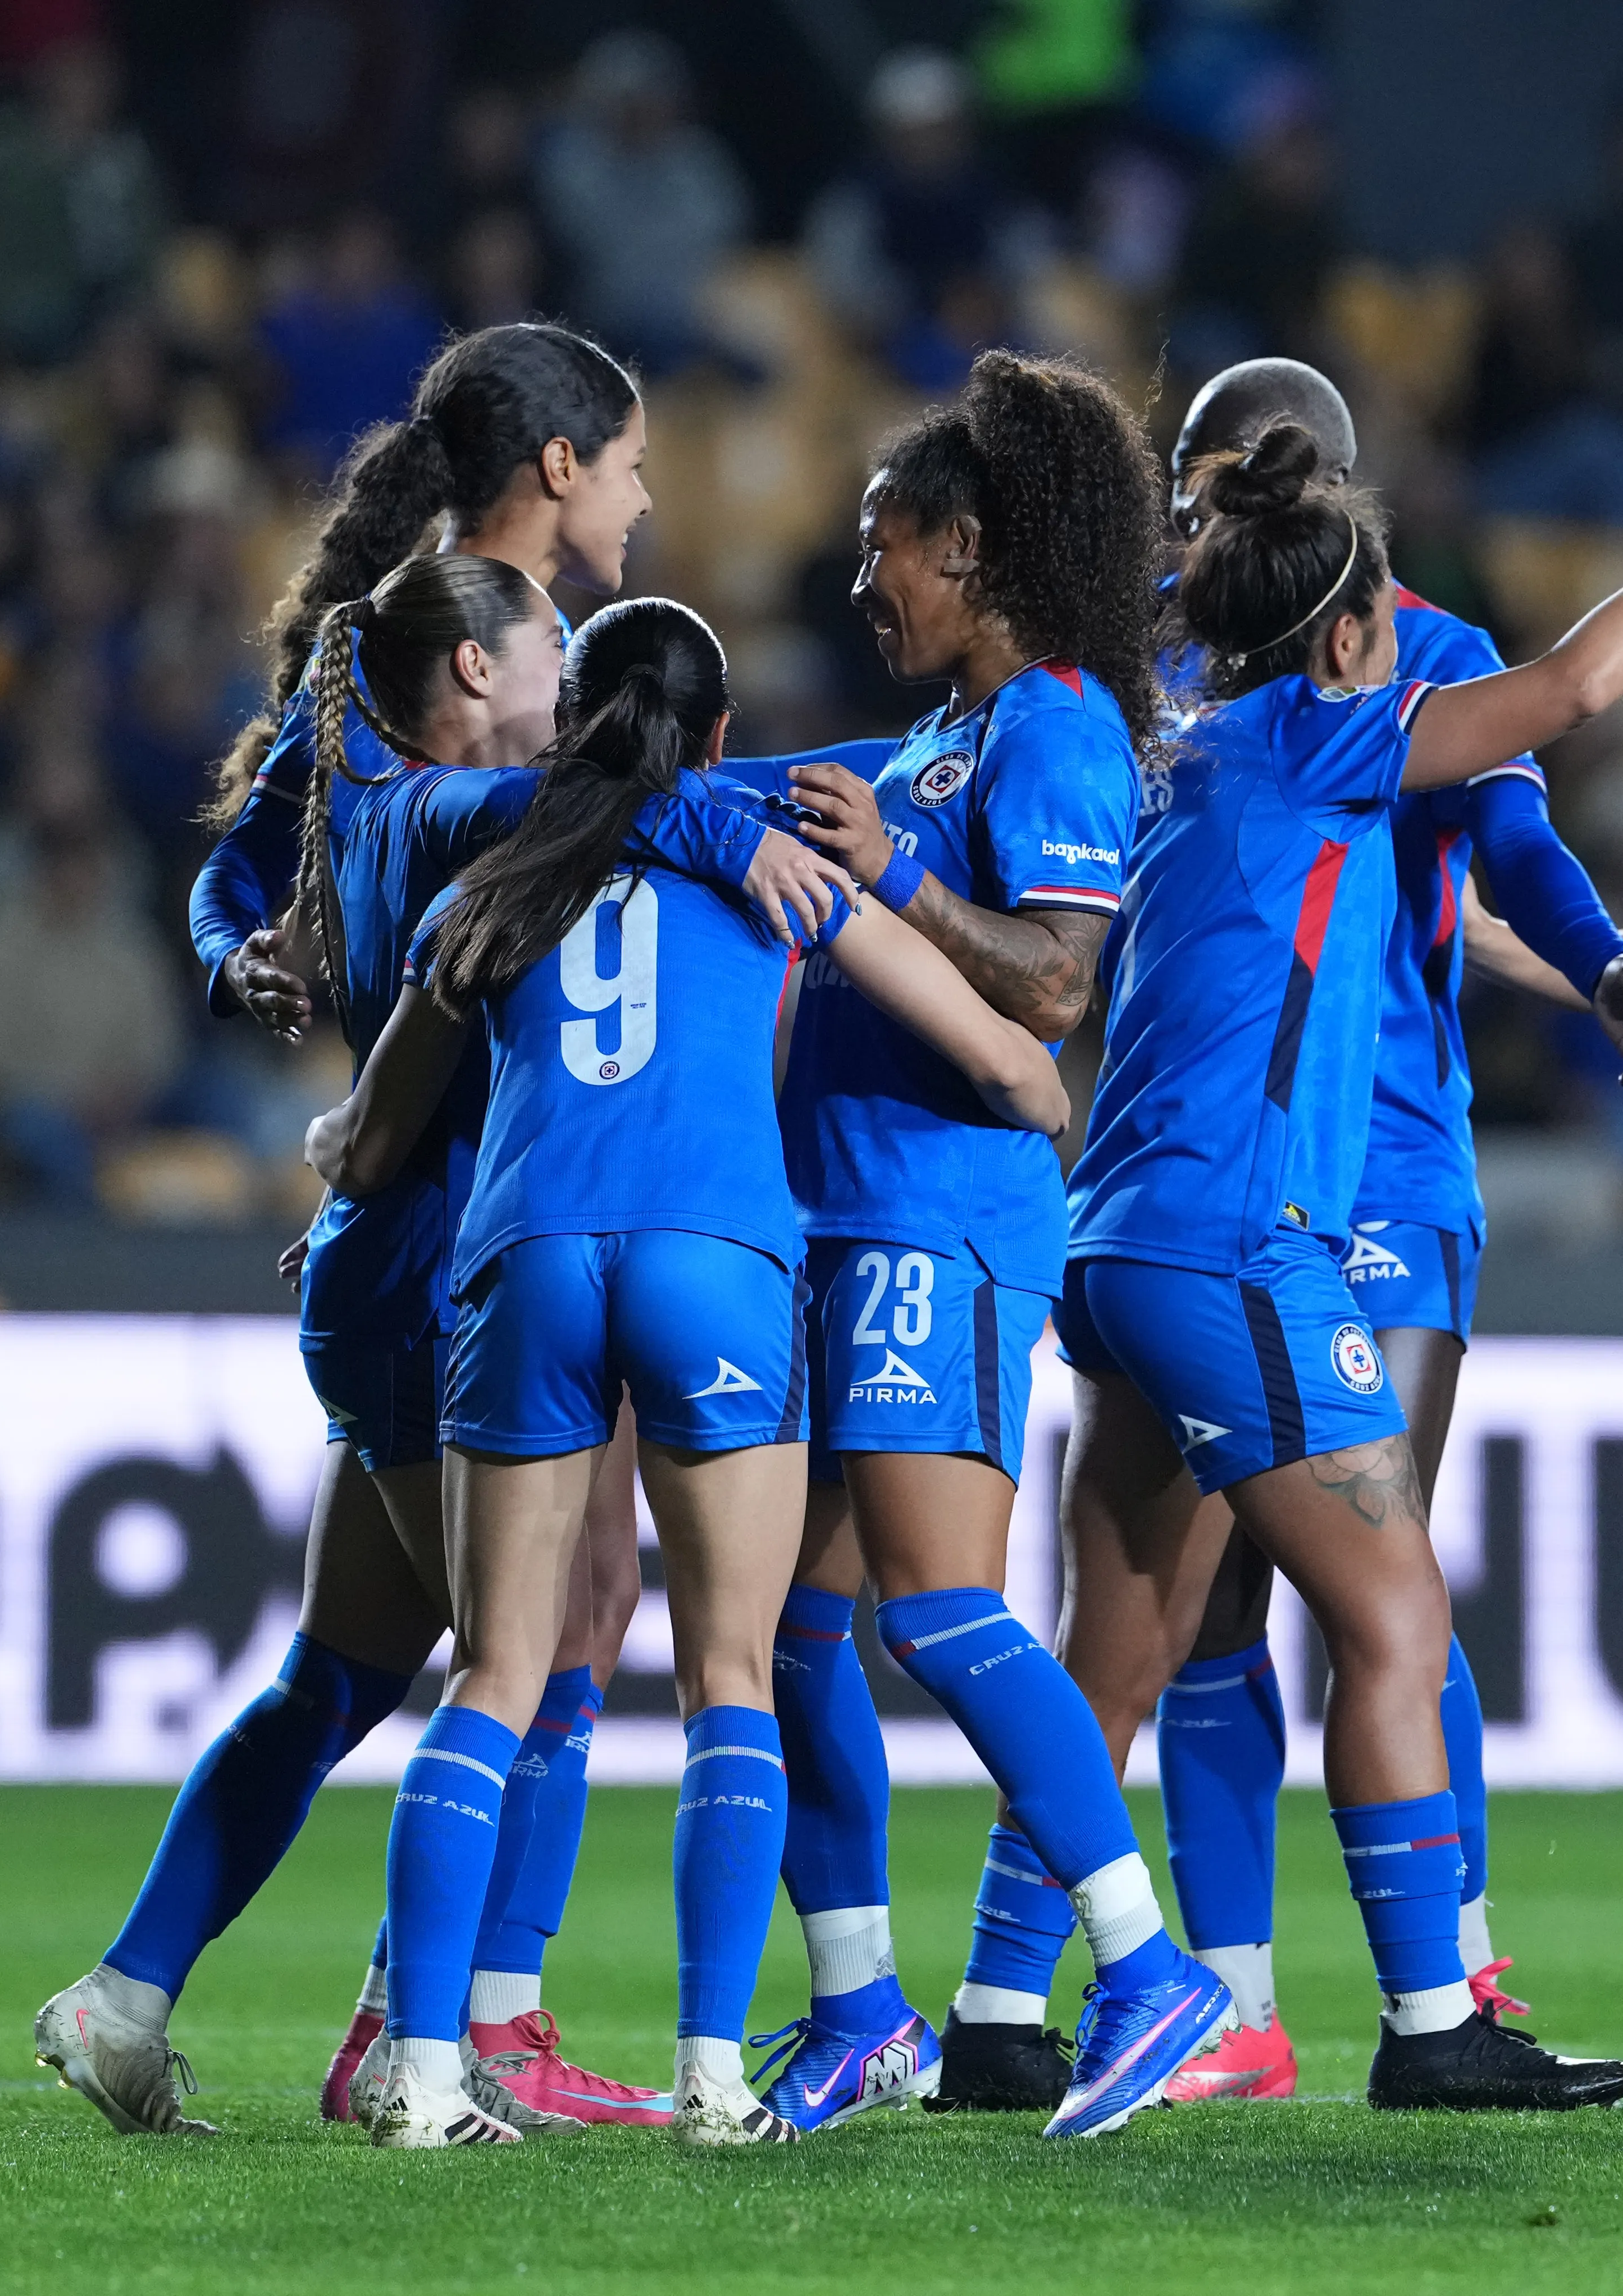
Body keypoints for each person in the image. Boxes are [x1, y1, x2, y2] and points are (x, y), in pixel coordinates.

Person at [1047, 420, 1623, 2112]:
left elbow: (1473, 874)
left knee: (1137, 1624)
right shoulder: (1330, 722)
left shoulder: (1171, 734)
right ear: (1342, 631)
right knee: (1383, 1612)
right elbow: (1571, 694)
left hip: (1156, 1216)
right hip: (1243, 1229)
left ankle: (1003, 2001)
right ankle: (1408, 2018)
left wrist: (1593, 967)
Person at [37, 324, 730, 2138]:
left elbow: (250, 867)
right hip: (461, 1226)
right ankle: (467, 2028)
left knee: (348, 1662)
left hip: (410, 1214)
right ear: (562, 469)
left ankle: (128, 1991)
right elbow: (335, 867)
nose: (650, 497)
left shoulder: (415, 670)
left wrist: (247, 953)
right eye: (635, 462)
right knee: (561, 1630)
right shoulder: (472, 681)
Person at [306, 597, 1072, 2147]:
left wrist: (339, 1144)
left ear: (570, 716)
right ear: (717, 734)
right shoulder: (760, 852)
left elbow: (377, 1142)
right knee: (730, 1676)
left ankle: (429, 2069)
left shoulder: (492, 875)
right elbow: (1016, 1063)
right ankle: (714, 2075)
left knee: (497, 1677)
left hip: (522, 1260)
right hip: (717, 1253)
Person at [721, 351, 1228, 2140]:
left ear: (968, 543)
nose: (864, 579)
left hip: (945, 1219)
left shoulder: (1060, 727)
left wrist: (897, 884)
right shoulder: (938, 736)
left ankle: (1147, 1970)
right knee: (797, 1631)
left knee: (938, 1608)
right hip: (844, 1216)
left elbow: (1055, 980)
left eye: (887, 547)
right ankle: (858, 2004)